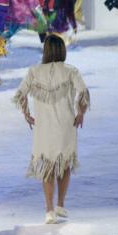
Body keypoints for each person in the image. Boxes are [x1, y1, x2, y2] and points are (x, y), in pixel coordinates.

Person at [13, 34, 89, 224]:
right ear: (62, 50)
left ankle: (49, 210)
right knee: (64, 163)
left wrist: (26, 114)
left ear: (45, 51)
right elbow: (83, 93)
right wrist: (81, 113)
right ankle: (60, 204)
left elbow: (20, 94)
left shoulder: (34, 71)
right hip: (66, 124)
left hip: (43, 125)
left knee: (47, 166)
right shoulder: (71, 71)